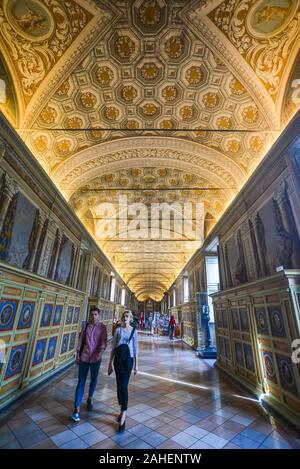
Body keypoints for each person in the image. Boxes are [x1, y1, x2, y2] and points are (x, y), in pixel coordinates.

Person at [70, 306, 107, 422]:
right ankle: (77, 409)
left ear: (99, 315)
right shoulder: (86, 326)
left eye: (95, 314)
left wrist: (99, 354)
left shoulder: (102, 327)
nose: (93, 317)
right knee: (81, 381)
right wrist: (77, 354)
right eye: (91, 314)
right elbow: (81, 340)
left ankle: (90, 398)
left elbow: (103, 342)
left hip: (96, 358)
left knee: (94, 380)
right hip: (85, 357)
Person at [108, 310, 138, 432]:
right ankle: (121, 410)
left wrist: (137, 365)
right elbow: (113, 348)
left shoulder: (134, 332)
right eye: (124, 316)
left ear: (130, 319)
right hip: (118, 360)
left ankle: (124, 416)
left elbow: (136, 349)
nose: (125, 318)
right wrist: (110, 363)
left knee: (124, 386)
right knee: (119, 386)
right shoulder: (118, 331)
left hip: (128, 361)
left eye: (128, 316)